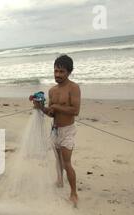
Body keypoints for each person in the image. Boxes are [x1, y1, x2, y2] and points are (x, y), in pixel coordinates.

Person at [33, 54, 81, 206]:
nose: (58, 75)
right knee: (58, 159)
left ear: (69, 72)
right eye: (56, 71)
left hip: (67, 130)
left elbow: (75, 110)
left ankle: (74, 193)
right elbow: (51, 113)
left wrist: (55, 106)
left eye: (61, 72)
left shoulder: (73, 88)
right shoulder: (52, 91)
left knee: (67, 163)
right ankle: (60, 181)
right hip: (55, 130)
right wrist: (41, 107)